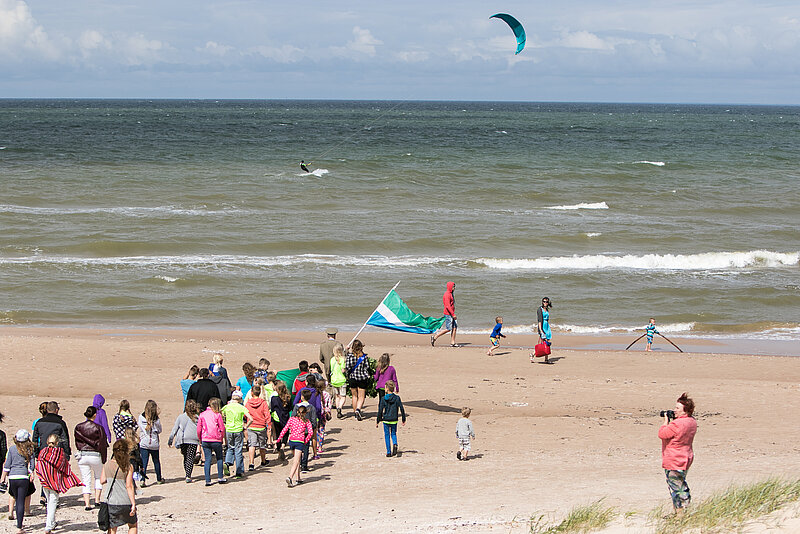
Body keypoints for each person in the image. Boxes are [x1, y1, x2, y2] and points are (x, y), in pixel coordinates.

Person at [658, 392, 697, 514]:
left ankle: (680, 515)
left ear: (685, 411)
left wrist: (666, 421)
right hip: (686, 457)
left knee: (676, 487)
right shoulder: (692, 422)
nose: (675, 410)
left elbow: (662, 434)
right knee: (680, 483)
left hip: (674, 458)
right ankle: (683, 511)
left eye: (677, 408)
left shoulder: (677, 424)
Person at [36, 432, 82, 534]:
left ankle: (51, 523)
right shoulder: (59, 453)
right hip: (54, 481)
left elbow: (39, 465)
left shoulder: (43, 452)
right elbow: (63, 466)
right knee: (52, 502)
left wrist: (42, 476)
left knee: (50, 502)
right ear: (57, 442)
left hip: (45, 480)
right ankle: (48, 526)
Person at [99, 439, 138, 534]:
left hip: (112, 501)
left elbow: (102, 481)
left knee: (112, 528)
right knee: (132, 525)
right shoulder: (128, 466)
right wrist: (133, 504)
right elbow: (129, 486)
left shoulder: (107, 464)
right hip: (125, 500)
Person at [74, 405, 109, 509]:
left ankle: (87, 503)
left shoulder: (79, 427)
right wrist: (104, 458)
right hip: (95, 454)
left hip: (83, 454)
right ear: (94, 415)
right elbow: (102, 444)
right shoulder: (98, 428)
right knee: (98, 477)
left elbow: (77, 441)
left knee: (86, 479)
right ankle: (97, 500)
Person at [1, 429, 35, 533]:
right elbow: (32, 465)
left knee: (14, 497)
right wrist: (30, 473)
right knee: (20, 501)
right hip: (23, 477)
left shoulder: (11, 449)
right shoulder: (30, 450)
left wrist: (2, 478)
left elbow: (7, 466)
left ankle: (13, 516)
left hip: (13, 477)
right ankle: (19, 526)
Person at [277, 406, 313, 488]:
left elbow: (285, 429)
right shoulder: (307, 421)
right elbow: (310, 433)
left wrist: (279, 439)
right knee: (296, 461)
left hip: (292, 441)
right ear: (305, 413)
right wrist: (305, 441)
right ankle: (290, 477)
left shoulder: (292, 419)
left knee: (297, 460)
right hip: (300, 442)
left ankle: (298, 478)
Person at [167, 399, 200, 483]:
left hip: (183, 439)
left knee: (186, 456)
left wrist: (171, 439)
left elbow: (175, 429)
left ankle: (187, 472)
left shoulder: (181, 417)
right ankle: (188, 475)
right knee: (190, 457)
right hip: (193, 439)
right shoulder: (197, 417)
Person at [197, 398, 227, 486]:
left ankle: (207, 480)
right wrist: (221, 438)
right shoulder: (217, 415)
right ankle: (220, 477)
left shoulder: (202, 415)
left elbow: (199, 429)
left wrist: (200, 439)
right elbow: (222, 428)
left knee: (207, 459)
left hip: (205, 438)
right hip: (216, 439)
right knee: (219, 458)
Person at [221, 390, 251, 478]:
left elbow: (221, 414)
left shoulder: (227, 407)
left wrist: (225, 423)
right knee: (238, 450)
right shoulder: (241, 408)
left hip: (229, 429)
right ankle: (239, 471)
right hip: (238, 429)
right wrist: (246, 426)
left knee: (230, 447)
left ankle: (227, 462)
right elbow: (251, 418)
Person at [375, 380, 406, 457]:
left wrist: (378, 420)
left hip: (386, 419)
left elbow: (380, 410)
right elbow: (401, 408)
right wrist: (403, 418)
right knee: (393, 433)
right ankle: (395, 444)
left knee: (386, 435)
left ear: (387, 388)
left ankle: (388, 452)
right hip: (394, 419)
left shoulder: (383, 399)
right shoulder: (397, 398)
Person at [137, 400, 163, 487]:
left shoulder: (141, 417)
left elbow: (140, 426)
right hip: (154, 442)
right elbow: (159, 430)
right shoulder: (157, 419)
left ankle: (142, 480)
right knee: (156, 461)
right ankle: (159, 479)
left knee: (144, 462)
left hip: (144, 442)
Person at [244, 384, 270, 471]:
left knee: (252, 445)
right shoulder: (263, 403)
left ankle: (251, 463)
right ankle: (263, 461)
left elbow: (245, 414)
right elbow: (267, 414)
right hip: (261, 426)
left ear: (251, 393)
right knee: (262, 445)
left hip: (251, 426)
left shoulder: (248, 403)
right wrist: (268, 424)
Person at [291, 389, 318, 472]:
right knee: (306, 448)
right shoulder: (312, 407)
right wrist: (312, 428)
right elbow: (314, 420)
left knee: (298, 448)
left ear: (302, 397)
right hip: (307, 431)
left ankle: (297, 463)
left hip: (298, 431)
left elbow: (292, 417)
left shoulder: (297, 406)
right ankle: (304, 465)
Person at [345, 339, 371, 421]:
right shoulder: (364, 357)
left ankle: (355, 412)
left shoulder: (349, 356)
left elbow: (348, 367)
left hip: (352, 377)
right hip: (362, 378)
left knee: (354, 396)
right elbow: (367, 367)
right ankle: (358, 409)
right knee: (361, 396)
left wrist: (346, 351)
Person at [270, 382, 292, 463]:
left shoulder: (274, 399)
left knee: (278, 434)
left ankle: (279, 450)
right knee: (285, 432)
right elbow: (290, 408)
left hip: (276, 418)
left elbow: (272, 408)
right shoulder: (288, 398)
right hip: (285, 417)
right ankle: (283, 445)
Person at [431, 281, 457, 347]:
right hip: (448, 314)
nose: (454, 288)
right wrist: (453, 314)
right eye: (453, 287)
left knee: (455, 327)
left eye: (454, 286)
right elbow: (447, 306)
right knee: (448, 328)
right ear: (450, 287)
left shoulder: (451, 294)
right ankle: (435, 337)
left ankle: (453, 342)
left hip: (451, 313)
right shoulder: (447, 294)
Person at [531, 297, 553, 364]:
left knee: (546, 342)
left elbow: (547, 319)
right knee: (544, 342)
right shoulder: (540, 309)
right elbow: (539, 321)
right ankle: (533, 354)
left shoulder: (547, 309)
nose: (545, 303)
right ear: (542, 302)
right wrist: (541, 330)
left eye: (546, 302)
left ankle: (546, 359)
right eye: (544, 301)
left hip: (547, 327)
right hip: (542, 327)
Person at [329, 343, 348, 419]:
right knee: (343, 396)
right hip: (341, 380)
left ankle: (338, 409)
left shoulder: (332, 359)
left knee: (337, 396)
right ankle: (339, 408)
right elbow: (343, 370)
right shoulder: (342, 359)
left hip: (334, 380)